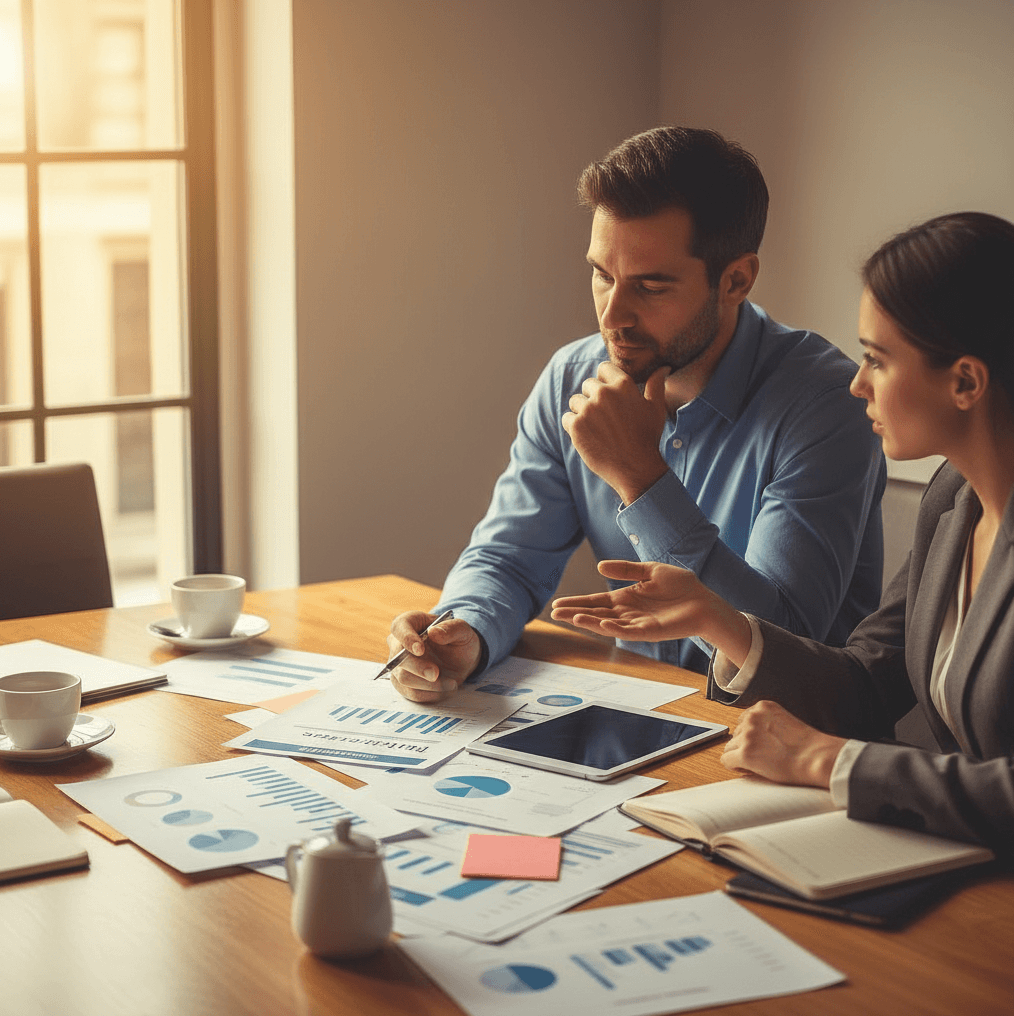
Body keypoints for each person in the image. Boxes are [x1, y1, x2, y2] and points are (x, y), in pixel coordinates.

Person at [552, 211, 1014, 855]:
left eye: (877, 360)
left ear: (965, 381)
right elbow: (868, 684)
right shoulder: (953, 500)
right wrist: (719, 620)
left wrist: (833, 761)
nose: (858, 383)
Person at [388, 126, 885, 702]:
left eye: (650, 287)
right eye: (603, 275)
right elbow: (510, 560)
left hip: (787, 733)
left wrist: (640, 479)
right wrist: (465, 631)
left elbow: (780, 646)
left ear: (736, 280)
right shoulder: (571, 378)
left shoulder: (826, 404)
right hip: (639, 710)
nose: (611, 317)